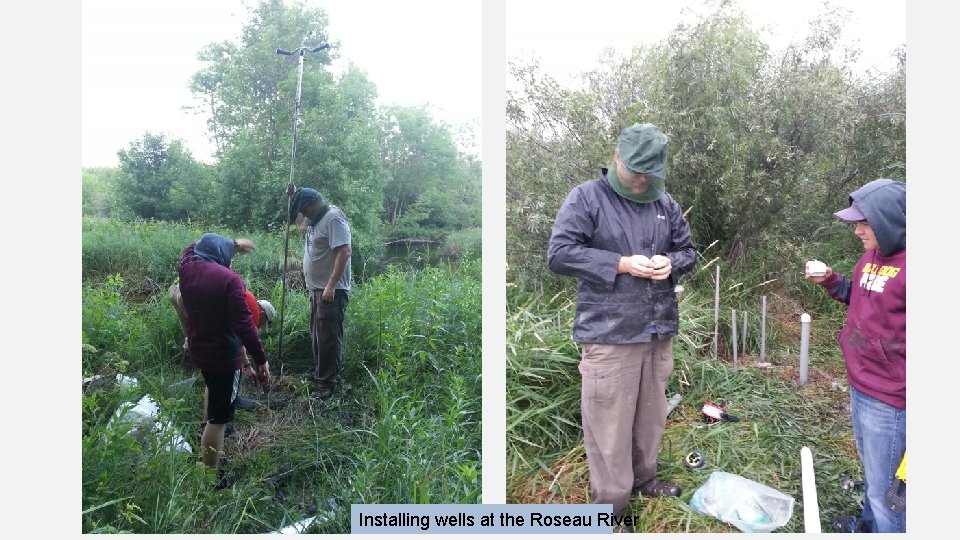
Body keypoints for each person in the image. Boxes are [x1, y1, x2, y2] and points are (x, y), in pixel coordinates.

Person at [547, 123, 697, 530]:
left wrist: (672, 263)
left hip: (657, 329)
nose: (643, 182)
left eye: (651, 175)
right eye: (636, 173)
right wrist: (620, 264)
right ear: (617, 158)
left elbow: (688, 251)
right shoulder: (586, 198)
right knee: (609, 424)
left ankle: (645, 480)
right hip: (608, 333)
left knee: (651, 416)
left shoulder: (665, 203)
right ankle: (610, 510)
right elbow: (559, 254)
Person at [804, 178, 906, 533]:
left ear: (889, 220)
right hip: (861, 382)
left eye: (864, 222)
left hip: (891, 399)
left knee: (888, 492)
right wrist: (832, 280)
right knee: (872, 472)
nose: (858, 230)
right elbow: (859, 297)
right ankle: (866, 526)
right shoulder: (871, 258)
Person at [178, 232, 271, 474]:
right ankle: (210, 474)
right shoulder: (229, 280)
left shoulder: (186, 265)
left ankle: (205, 430)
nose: (231, 260)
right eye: (229, 255)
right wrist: (260, 360)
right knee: (219, 420)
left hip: (201, 349)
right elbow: (245, 328)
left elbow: (192, 245)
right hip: (222, 356)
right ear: (220, 256)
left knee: (213, 393)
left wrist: (232, 245)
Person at [286, 184, 352, 400]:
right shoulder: (315, 220)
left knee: (328, 337)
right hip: (316, 289)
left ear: (314, 204)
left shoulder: (333, 218)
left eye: (305, 210)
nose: (304, 216)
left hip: (330, 291)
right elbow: (300, 227)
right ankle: (319, 373)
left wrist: (331, 285)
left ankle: (327, 384)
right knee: (317, 334)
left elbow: (344, 251)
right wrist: (293, 197)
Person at [168, 281, 274, 413]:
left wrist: (246, 365)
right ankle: (227, 403)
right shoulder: (254, 312)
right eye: (263, 323)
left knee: (195, 337)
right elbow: (238, 343)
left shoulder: (248, 298)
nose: (260, 325)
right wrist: (248, 364)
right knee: (221, 352)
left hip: (178, 290)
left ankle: (194, 381)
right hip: (191, 295)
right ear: (263, 313)